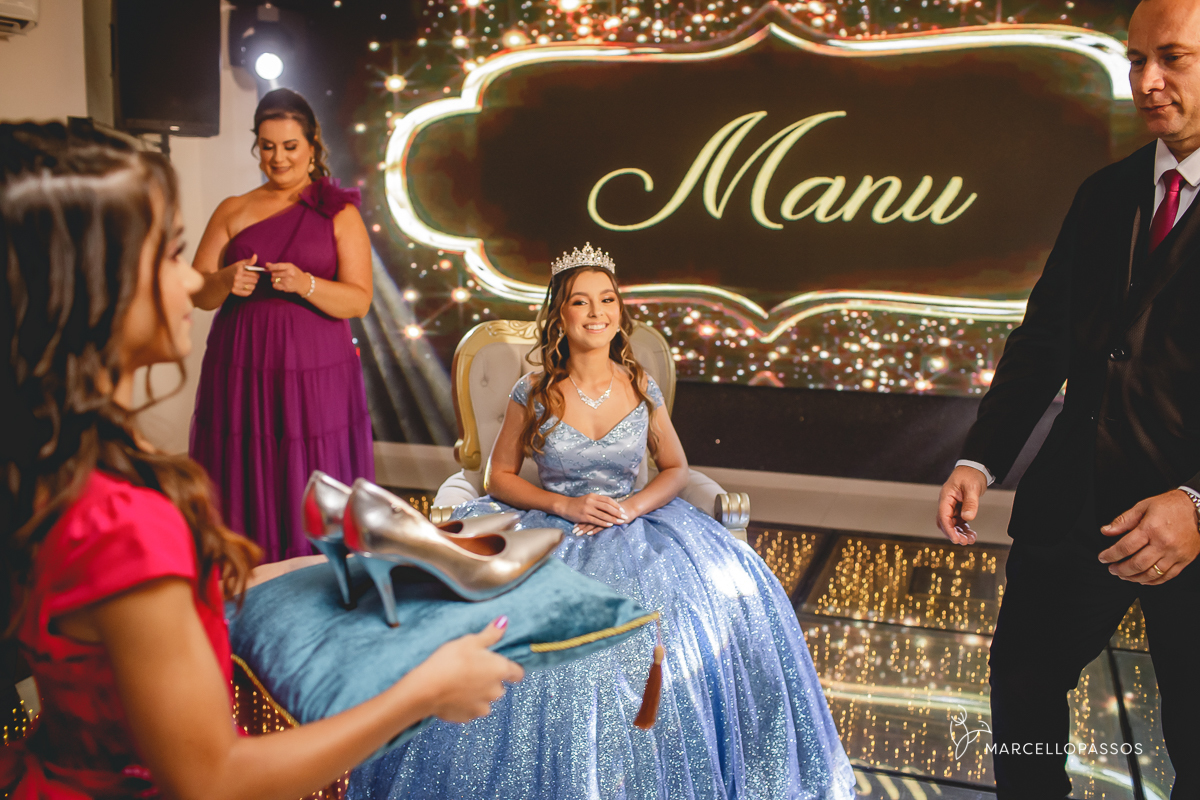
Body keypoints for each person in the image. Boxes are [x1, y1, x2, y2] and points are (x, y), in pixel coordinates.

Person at [0, 123, 523, 800]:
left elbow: (145, 616)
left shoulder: (67, 467)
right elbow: (213, 779)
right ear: (92, 286)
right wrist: (423, 690)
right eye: (169, 253)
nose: (191, 277)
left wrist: (335, 566)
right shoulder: (126, 520)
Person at [350, 246, 855, 800]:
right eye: (580, 302)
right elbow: (498, 478)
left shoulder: (640, 384)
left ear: (619, 311)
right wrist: (564, 505)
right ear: (559, 316)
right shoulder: (534, 390)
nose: (597, 312)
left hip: (634, 525)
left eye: (607, 300)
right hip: (553, 525)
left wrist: (633, 507)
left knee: (705, 611)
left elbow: (676, 468)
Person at [935, 1, 1200, 796]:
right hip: (1072, 508)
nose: (1146, 82)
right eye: (1136, 59)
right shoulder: (1105, 193)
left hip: (1191, 526)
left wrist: (1198, 501)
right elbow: (1044, 339)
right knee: (1022, 694)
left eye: (1173, 58)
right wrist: (981, 458)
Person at [189, 88, 374, 562]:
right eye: (268, 146)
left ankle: (318, 570)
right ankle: (246, 569)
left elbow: (359, 300)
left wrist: (306, 284)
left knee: (311, 466)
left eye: (290, 146)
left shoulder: (340, 212)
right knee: (244, 462)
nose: (278, 158)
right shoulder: (232, 209)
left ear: (312, 145)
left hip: (317, 367)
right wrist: (224, 281)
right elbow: (196, 292)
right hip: (241, 363)